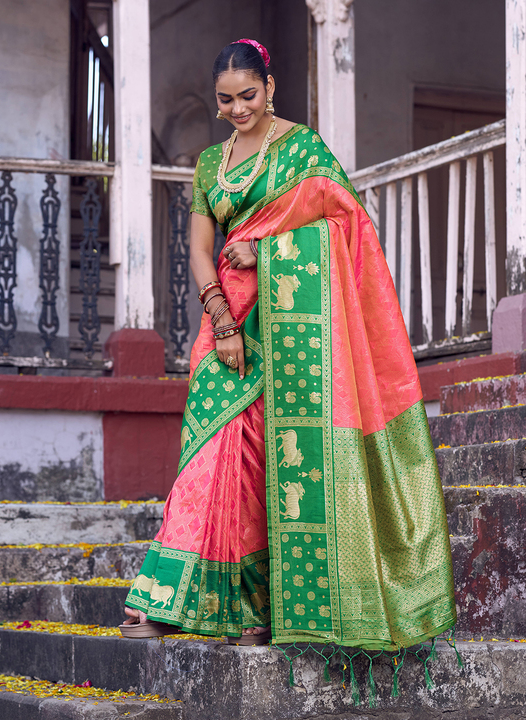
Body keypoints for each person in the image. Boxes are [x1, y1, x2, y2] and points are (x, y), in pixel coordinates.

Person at [121, 39, 456, 653]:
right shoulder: (209, 164)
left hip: (293, 323)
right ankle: (170, 597)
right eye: (225, 100)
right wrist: (222, 320)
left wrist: (269, 251)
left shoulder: (304, 150)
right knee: (209, 452)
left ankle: (260, 609)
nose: (237, 109)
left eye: (248, 95)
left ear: (270, 88)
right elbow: (200, 250)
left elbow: (349, 227)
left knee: (268, 458)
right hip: (226, 319)